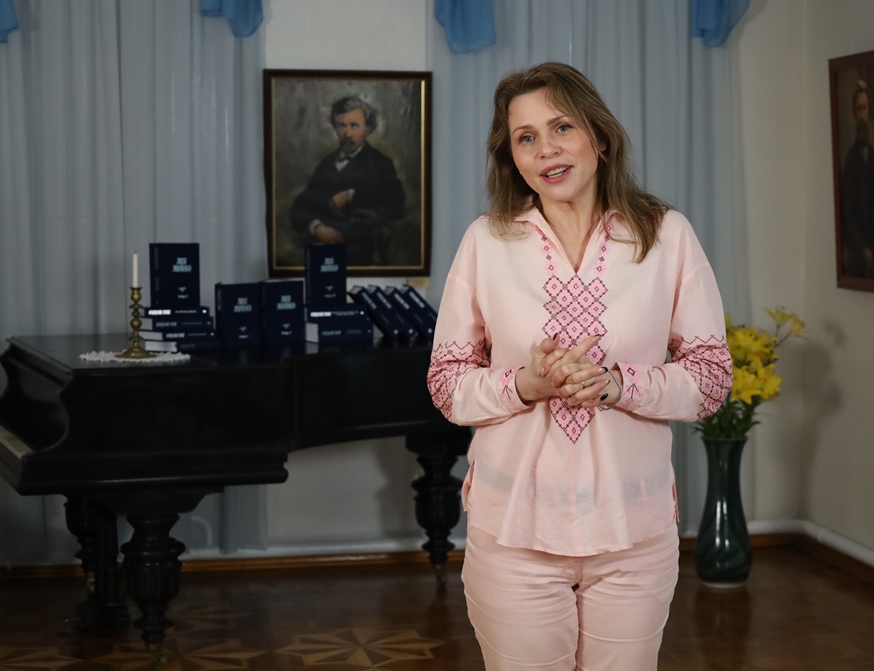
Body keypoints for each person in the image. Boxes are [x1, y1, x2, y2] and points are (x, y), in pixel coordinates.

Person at [426, 62, 733, 671]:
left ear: (600, 135)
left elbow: (711, 378)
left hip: (634, 533)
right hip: (512, 531)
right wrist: (526, 385)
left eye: (561, 127)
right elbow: (446, 383)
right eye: (526, 137)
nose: (546, 149)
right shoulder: (486, 240)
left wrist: (619, 385)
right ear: (512, 157)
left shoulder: (666, 236)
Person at [289, 95, 405, 266]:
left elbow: (396, 204)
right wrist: (317, 227)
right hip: (324, 252)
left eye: (354, 126)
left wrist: (352, 196)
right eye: (341, 126)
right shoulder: (326, 164)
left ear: (367, 129)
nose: (347, 133)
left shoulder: (380, 163)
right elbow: (301, 206)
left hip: (364, 253)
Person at [839, 81, 874, 279]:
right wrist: (862, 248)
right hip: (860, 249)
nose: (863, 115)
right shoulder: (851, 161)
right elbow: (848, 216)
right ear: (854, 114)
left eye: (865, 108)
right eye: (859, 109)